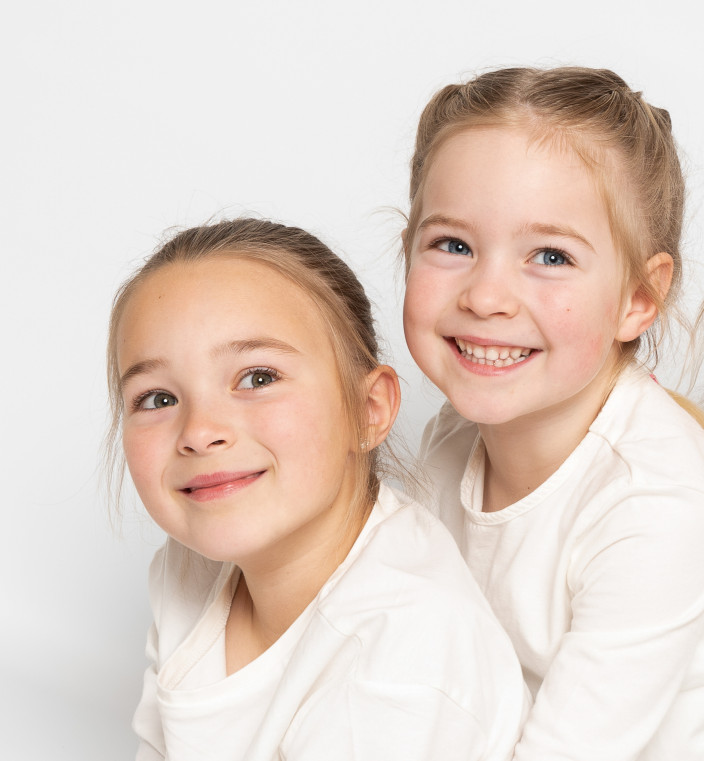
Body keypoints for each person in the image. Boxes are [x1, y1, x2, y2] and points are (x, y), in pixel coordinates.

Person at [401, 66, 704, 761]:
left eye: (550, 256)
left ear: (637, 298)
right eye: (453, 245)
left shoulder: (652, 502)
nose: (486, 296)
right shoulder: (452, 438)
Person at [109, 219, 529, 760]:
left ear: (367, 410)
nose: (198, 431)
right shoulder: (190, 568)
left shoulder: (398, 661)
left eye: (258, 378)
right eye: (158, 399)